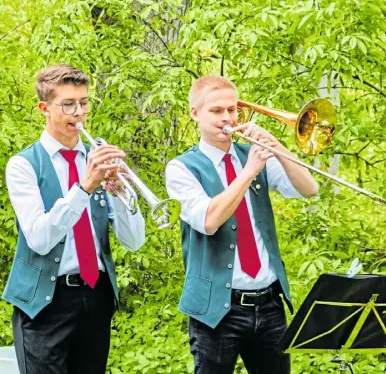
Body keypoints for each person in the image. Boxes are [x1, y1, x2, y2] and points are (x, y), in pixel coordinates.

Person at [165, 75, 319, 374]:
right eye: (217, 110)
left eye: (232, 110)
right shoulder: (182, 167)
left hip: (270, 303)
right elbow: (209, 221)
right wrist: (247, 172)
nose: (227, 118)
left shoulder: (254, 155)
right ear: (195, 113)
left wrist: (278, 148)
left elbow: (308, 188)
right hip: (217, 308)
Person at [3, 64, 146, 374]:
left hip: (95, 297)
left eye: (83, 102)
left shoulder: (98, 157)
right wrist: (84, 187)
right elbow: (40, 239)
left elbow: (134, 241)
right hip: (44, 302)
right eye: (68, 104)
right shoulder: (23, 165)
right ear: (44, 108)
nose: (78, 112)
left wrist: (122, 195)